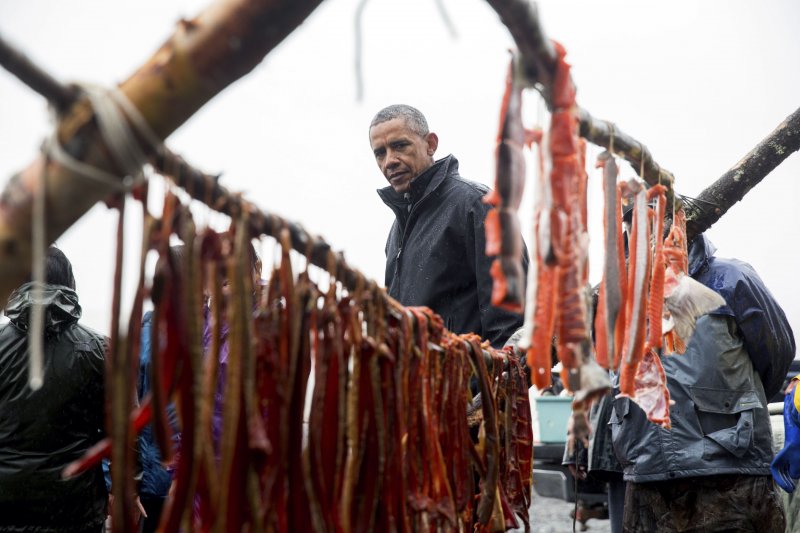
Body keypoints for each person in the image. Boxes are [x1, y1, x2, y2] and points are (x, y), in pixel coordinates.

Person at [609, 233, 795, 532]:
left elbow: (776, 353)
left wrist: (739, 405)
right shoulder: (620, 295)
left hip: (727, 464)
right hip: (648, 470)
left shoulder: (731, 279)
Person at [370, 104, 526, 347]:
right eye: (380, 153)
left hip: (466, 381)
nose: (389, 161)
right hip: (418, 382)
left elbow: (510, 323)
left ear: (430, 144)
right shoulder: (397, 230)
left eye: (400, 145)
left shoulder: (477, 204)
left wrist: (488, 382)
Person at [0, 247, 110, 532]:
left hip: (7, 504)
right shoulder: (99, 349)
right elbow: (121, 432)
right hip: (76, 507)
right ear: (69, 284)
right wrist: (130, 489)